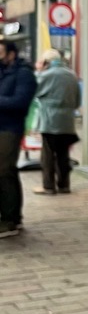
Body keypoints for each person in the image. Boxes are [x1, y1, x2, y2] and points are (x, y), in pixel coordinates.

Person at [0, 39, 37, 238]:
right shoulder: (3, 71)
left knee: (4, 171)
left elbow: (20, 102)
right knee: (7, 172)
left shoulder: (24, 74)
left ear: (11, 54)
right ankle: (13, 217)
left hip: (10, 129)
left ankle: (9, 221)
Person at [33, 49, 81, 196]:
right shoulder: (71, 75)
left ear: (46, 62)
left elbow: (34, 91)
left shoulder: (46, 75)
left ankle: (48, 186)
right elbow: (78, 101)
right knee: (63, 154)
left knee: (47, 155)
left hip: (50, 119)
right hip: (67, 121)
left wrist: (39, 71)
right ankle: (64, 185)